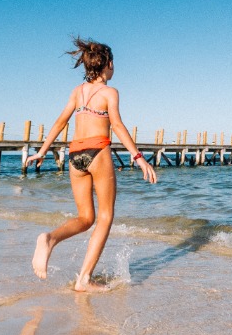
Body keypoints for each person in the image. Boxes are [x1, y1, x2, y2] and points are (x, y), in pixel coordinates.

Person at [29, 37, 157, 291]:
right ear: (107, 64)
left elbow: (60, 122)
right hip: (97, 150)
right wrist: (139, 158)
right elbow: (117, 126)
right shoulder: (110, 93)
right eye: (113, 63)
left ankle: (49, 238)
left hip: (75, 154)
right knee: (106, 216)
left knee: (86, 217)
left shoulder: (77, 92)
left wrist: (42, 150)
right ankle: (84, 279)